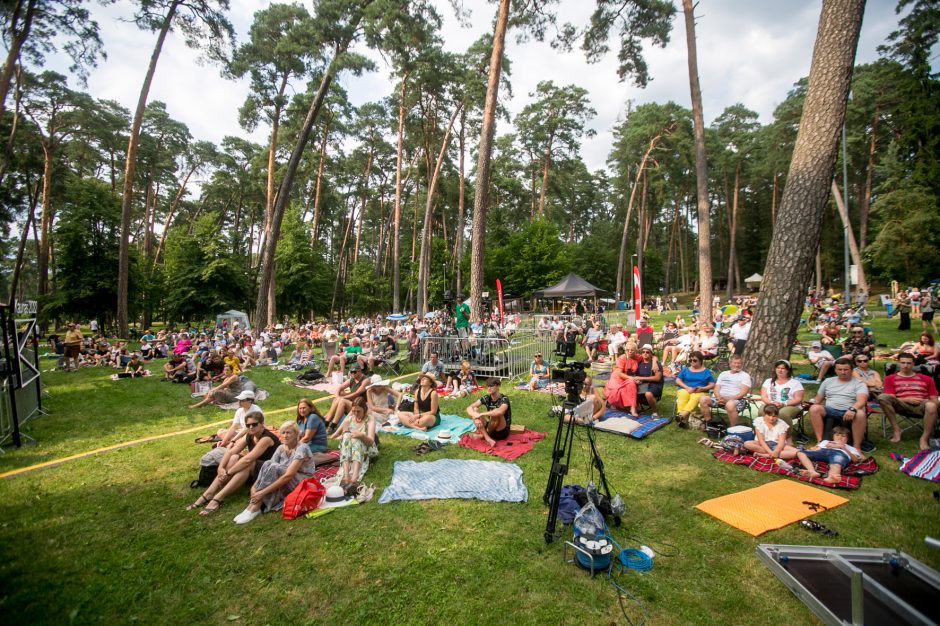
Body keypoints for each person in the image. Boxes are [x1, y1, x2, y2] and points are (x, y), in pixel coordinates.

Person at [186, 411, 278, 515]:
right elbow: (231, 451)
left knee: (248, 464)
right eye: (248, 425)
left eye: (254, 424)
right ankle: (209, 493)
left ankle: (218, 498)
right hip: (257, 469)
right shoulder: (249, 435)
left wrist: (228, 473)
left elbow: (248, 459)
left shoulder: (266, 438)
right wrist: (220, 468)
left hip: (271, 470)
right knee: (234, 457)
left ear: (261, 424)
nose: (251, 427)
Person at [232, 421, 319, 524]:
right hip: (287, 478)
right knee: (267, 463)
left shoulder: (302, 448)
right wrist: (254, 488)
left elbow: (288, 475)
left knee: (274, 467)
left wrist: (262, 493)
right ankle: (252, 506)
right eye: (283, 432)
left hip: (303, 481)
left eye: (289, 433)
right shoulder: (281, 448)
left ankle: (255, 507)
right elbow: (267, 469)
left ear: (296, 434)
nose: (285, 436)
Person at [878, 352, 938, 449]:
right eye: (903, 363)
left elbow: (934, 398)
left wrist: (935, 409)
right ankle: (896, 430)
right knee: (883, 397)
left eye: (909, 363)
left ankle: (924, 438)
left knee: (932, 405)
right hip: (901, 405)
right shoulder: (890, 378)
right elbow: (891, 397)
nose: (905, 365)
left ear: (914, 364)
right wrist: (906, 399)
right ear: (899, 363)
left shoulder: (926, 379)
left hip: (922, 405)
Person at [808, 358, 869, 451]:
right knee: (814, 409)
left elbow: (862, 400)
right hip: (830, 409)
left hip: (848, 409)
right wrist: (811, 402)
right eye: (839, 369)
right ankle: (821, 441)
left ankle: (857, 446)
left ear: (851, 370)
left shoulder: (859, 383)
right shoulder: (828, 381)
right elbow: (818, 399)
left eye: (845, 369)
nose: (842, 372)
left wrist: (853, 409)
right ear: (835, 370)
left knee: (860, 414)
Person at [331, 398, 377, 490]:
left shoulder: (370, 419)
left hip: (368, 447)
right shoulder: (350, 418)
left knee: (356, 439)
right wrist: (340, 434)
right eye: (353, 411)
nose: (355, 413)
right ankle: (346, 474)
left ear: (365, 409)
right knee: (347, 437)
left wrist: (362, 436)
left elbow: (371, 441)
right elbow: (344, 437)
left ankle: (355, 475)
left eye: (358, 411)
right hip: (352, 447)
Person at [795, 425, 863, 484]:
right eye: (837, 435)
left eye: (843, 436)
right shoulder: (826, 441)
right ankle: (811, 471)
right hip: (823, 451)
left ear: (847, 439)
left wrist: (843, 447)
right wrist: (814, 448)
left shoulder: (850, 448)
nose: (840, 437)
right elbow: (815, 448)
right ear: (833, 436)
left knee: (836, 462)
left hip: (839, 454)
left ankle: (833, 477)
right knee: (801, 453)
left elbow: (855, 460)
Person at [699, 354, 752, 427]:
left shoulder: (745, 376)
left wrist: (728, 399)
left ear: (742, 364)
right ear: (730, 364)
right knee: (703, 399)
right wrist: (719, 398)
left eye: (739, 363)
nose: (737, 365)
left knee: (729, 404)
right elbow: (716, 388)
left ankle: (733, 429)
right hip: (720, 399)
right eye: (735, 363)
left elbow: (743, 392)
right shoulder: (723, 374)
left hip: (737, 400)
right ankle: (709, 424)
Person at [673, 351, 715, 428]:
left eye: (695, 360)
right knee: (683, 395)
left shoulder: (706, 371)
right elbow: (678, 380)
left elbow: (712, 384)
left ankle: (682, 415)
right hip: (686, 388)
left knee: (695, 397)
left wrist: (703, 388)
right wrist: (687, 388)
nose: (692, 362)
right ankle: (681, 418)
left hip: (700, 391)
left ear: (701, 361)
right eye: (690, 360)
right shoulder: (686, 369)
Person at [322, 363, 369, 431]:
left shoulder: (365, 380)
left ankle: (331, 425)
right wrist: (337, 396)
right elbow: (339, 388)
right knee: (338, 398)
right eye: (351, 372)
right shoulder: (352, 379)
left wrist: (342, 398)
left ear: (359, 371)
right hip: (353, 404)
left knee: (342, 401)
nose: (352, 374)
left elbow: (356, 393)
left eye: (354, 372)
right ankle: (327, 422)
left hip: (361, 407)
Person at [467, 377, 511, 446]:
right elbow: (469, 407)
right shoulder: (487, 398)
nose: (489, 388)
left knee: (495, 413)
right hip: (491, 426)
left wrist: (481, 414)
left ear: (498, 386)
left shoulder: (504, 399)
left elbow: (499, 412)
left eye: (491, 386)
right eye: (488, 386)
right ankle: (488, 438)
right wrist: (475, 416)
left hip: (501, 431)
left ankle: (483, 435)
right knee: (475, 409)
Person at [759, 359, 805, 426]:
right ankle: (765, 431)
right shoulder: (768, 381)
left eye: (783, 368)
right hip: (771, 404)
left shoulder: (795, 383)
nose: (780, 370)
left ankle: (786, 435)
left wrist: (784, 403)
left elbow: (798, 399)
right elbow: (763, 396)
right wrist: (771, 403)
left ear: (788, 370)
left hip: (790, 405)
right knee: (762, 411)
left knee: (782, 414)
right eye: (778, 368)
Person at [604, 342, 641, 416]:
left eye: (632, 350)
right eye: (627, 350)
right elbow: (619, 373)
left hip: (627, 377)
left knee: (631, 382)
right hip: (617, 377)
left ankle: (632, 407)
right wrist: (632, 378)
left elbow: (652, 357)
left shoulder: (638, 357)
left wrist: (655, 362)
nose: (629, 351)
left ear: (635, 351)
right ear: (625, 350)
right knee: (619, 389)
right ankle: (622, 405)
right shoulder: (622, 358)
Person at [295, 398, 334, 465]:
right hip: (307, 444)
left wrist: (295, 447)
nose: (302, 410)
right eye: (300, 408)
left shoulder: (313, 417)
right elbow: (299, 436)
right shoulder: (300, 420)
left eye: (304, 408)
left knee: (297, 452)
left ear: (310, 408)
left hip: (318, 445)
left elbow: (307, 438)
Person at [634, 344, 663, 416]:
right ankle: (633, 409)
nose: (645, 353)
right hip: (642, 385)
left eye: (647, 352)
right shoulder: (639, 364)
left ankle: (655, 413)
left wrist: (641, 378)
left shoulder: (656, 364)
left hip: (654, 385)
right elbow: (636, 376)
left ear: (651, 354)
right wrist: (637, 380)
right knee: (630, 388)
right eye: (643, 352)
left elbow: (657, 378)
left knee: (648, 393)